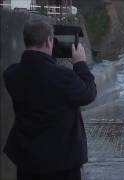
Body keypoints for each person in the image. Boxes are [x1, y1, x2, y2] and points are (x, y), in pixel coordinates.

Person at [2, 19, 97, 180]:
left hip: (27, 160)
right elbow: (89, 94)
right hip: (62, 163)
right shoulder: (63, 77)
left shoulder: (11, 74)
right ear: (48, 41)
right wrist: (80, 64)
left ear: (26, 40)